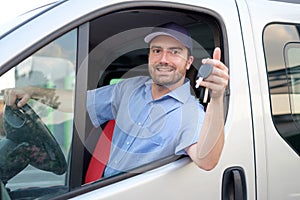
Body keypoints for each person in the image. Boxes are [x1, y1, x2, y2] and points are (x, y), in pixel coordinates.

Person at [3, 22, 229, 178]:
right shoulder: (129, 88)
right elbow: (78, 104)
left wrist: (217, 98)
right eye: (156, 51)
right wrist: (34, 91)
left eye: (174, 52)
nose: (164, 59)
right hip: (103, 188)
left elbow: (206, 160)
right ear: (149, 56)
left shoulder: (191, 113)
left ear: (189, 62)